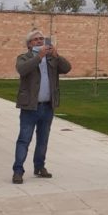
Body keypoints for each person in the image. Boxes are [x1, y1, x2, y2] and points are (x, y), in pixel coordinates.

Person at [12, 29, 72, 184]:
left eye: (42, 39)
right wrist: (39, 57)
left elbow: (67, 68)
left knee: (43, 139)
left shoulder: (52, 59)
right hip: (30, 107)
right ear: (29, 44)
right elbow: (22, 70)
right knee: (24, 139)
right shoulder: (24, 57)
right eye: (36, 39)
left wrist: (56, 55)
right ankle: (18, 170)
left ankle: (39, 167)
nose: (40, 41)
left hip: (47, 106)